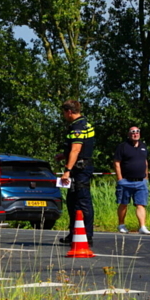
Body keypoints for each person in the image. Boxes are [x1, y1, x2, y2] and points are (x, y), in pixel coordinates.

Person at [56, 100, 95, 244]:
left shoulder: (78, 127)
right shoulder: (84, 123)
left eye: (64, 113)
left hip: (80, 169)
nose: (64, 116)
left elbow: (77, 149)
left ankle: (87, 235)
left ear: (69, 112)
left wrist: (67, 170)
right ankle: (74, 233)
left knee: (82, 201)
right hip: (79, 167)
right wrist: (64, 155)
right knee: (72, 202)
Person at [113, 125, 150, 235]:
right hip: (126, 181)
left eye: (137, 132)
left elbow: (145, 161)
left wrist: (146, 176)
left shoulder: (143, 146)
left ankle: (142, 226)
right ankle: (121, 225)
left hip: (141, 181)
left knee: (141, 204)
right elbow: (117, 163)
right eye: (132, 132)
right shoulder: (123, 147)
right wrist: (120, 179)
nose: (135, 134)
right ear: (129, 134)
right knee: (123, 203)